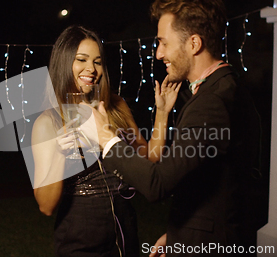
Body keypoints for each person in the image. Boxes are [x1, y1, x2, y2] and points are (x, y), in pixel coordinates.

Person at [81, 1, 265, 256]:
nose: (158, 53)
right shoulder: (225, 87)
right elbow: (211, 182)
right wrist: (180, 235)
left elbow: (157, 184)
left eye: (164, 42)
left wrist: (107, 139)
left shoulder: (211, 103)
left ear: (194, 44)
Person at [31, 25, 181, 257]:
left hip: (125, 229)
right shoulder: (48, 121)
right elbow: (46, 206)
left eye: (97, 61)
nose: (91, 68)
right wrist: (60, 155)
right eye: (81, 59)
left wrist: (162, 114)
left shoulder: (115, 106)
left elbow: (149, 159)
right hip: (80, 236)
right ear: (64, 62)